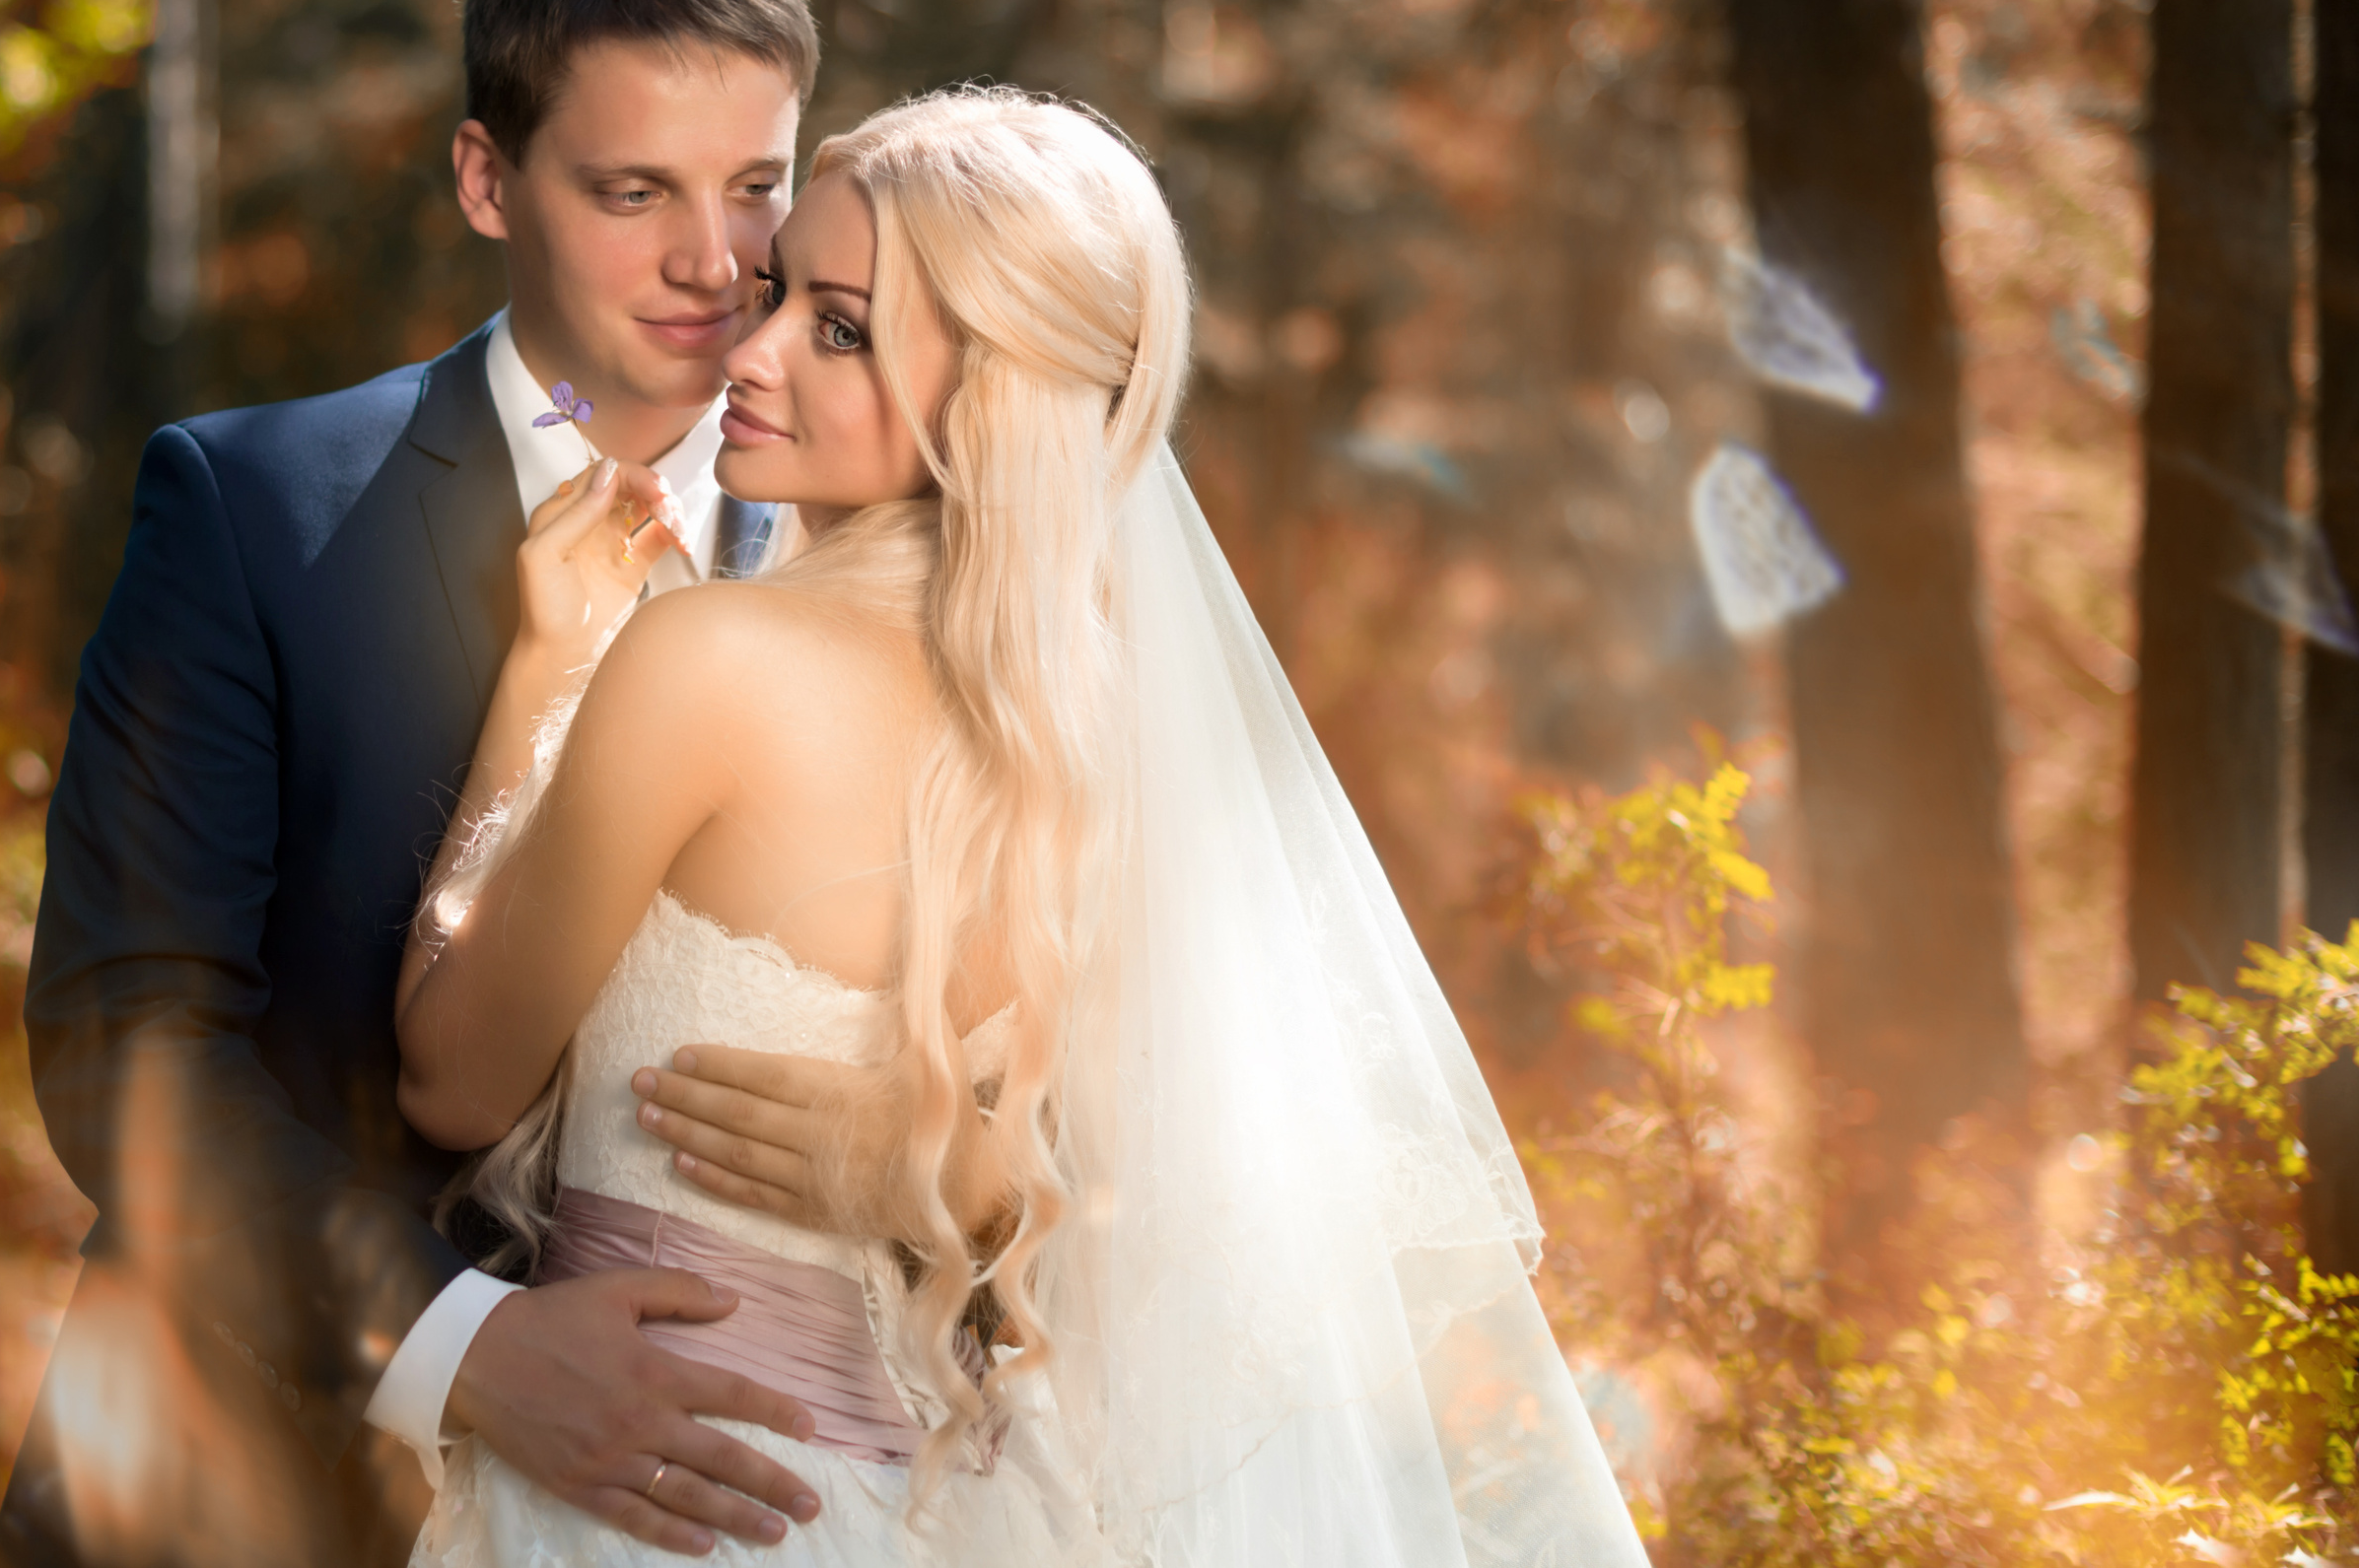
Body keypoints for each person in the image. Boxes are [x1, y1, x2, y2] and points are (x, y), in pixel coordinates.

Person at [394, 87, 1652, 1566]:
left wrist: (541, 674)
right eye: (783, 290)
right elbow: (1178, 1205)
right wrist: (959, 1168)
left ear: (989, 394)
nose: (756, 347)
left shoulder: (703, 663)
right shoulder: (1098, 747)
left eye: (841, 328)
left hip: (661, 1503)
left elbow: (453, 1080)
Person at [0, 0, 849, 1566]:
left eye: (757, 187)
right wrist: (462, 1347)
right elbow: (126, 1049)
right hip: (236, 1492)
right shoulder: (253, 514)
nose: (714, 262)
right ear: (484, 178)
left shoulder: (875, 561)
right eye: (632, 191)